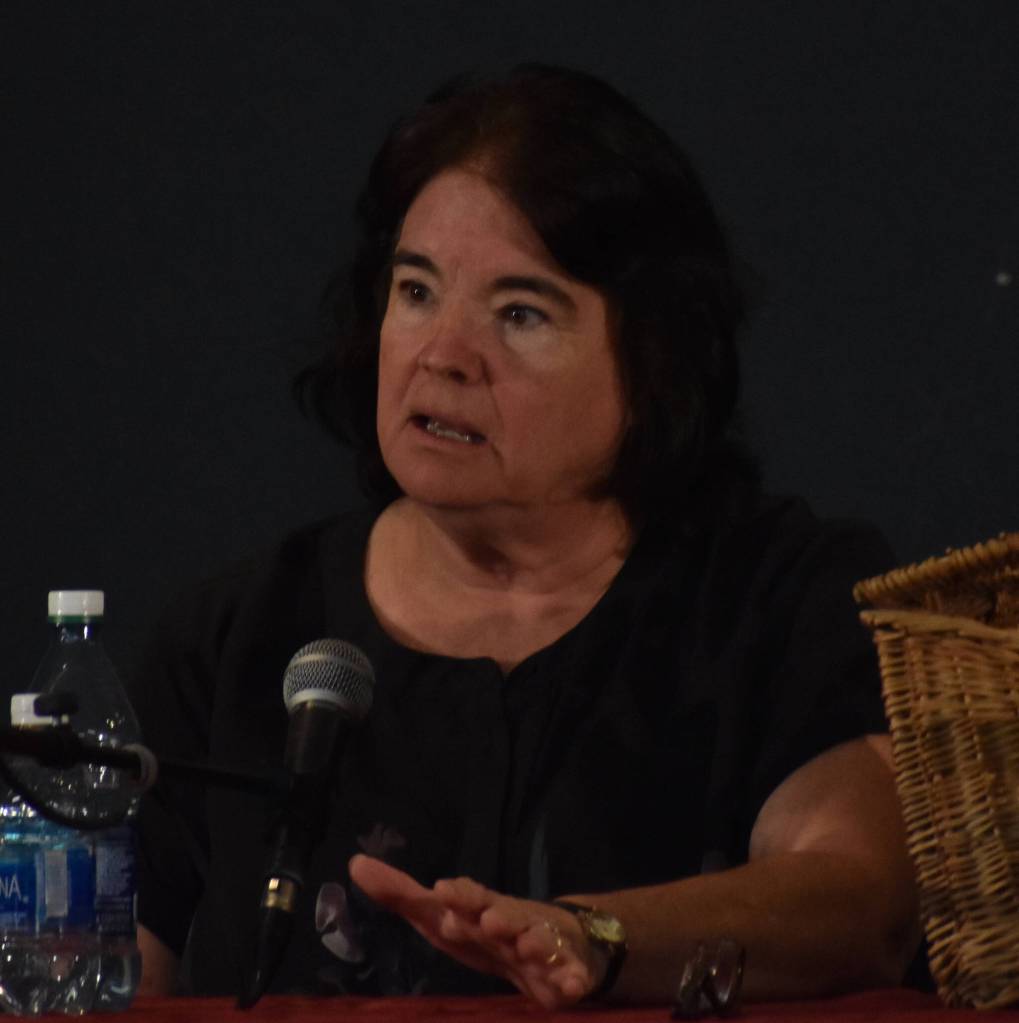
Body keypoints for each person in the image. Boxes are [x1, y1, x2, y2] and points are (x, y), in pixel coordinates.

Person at [130, 64, 920, 1007]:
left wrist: (596, 934)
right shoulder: (236, 637)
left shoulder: (774, 603)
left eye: (518, 314)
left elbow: (862, 897)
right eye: (416, 291)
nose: (443, 355)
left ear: (652, 361)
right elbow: (94, 970)